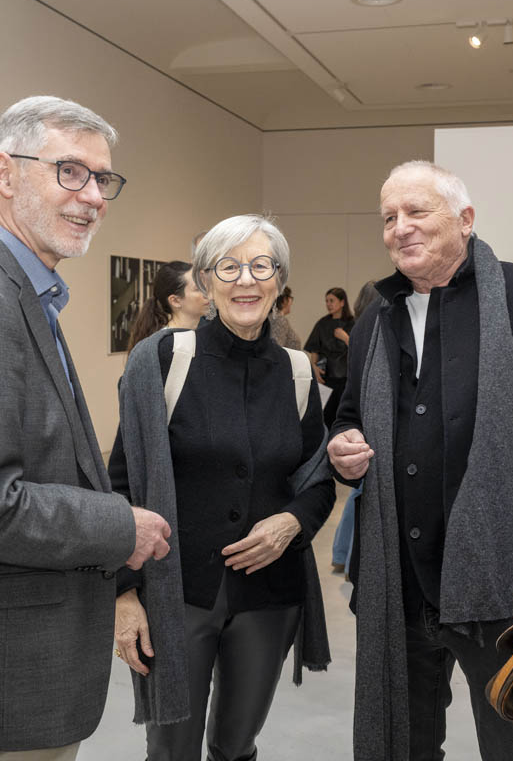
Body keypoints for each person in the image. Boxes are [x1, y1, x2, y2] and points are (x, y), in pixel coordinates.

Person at [0, 95, 172, 759]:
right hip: (1, 675)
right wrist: (119, 526)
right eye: (70, 172)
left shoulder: (27, 294)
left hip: (22, 666)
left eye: (102, 179)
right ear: (5, 173)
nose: (94, 196)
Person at [328, 160, 513, 761]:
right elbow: (348, 415)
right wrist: (343, 445)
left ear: (465, 219)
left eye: (416, 211)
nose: (400, 227)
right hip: (397, 583)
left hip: (501, 585)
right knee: (401, 746)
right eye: (389, 217)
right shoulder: (377, 316)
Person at [110, 215, 335, 761]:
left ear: (279, 280)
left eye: (261, 266)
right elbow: (121, 482)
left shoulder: (296, 372)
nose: (246, 280)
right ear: (206, 282)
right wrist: (122, 593)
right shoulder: (163, 359)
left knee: (237, 746)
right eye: (228, 267)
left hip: (269, 595)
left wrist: (292, 522)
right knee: (171, 749)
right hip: (178, 591)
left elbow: (317, 480)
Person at [330, 281, 380, 576]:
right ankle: (347, 558)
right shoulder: (369, 328)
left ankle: (342, 555)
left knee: (358, 494)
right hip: (369, 418)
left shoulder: (359, 325)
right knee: (361, 493)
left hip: (362, 414)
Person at [127, 261, 207, 352]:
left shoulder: (208, 335)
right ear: (175, 301)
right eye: (198, 289)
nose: (207, 292)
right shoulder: (163, 346)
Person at [305, 287, 354, 429]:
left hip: (346, 379)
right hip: (326, 379)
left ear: (342, 302)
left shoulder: (353, 323)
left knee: (344, 417)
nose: (328, 304)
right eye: (326, 301)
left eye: (332, 301)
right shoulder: (322, 323)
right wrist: (313, 367)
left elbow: (360, 349)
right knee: (325, 417)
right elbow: (315, 349)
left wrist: (346, 338)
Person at [270, 286, 302, 351]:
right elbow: (276, 350)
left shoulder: (275, 317)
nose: (292, 301)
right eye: (291, 298)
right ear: (284, 300)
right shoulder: (279, 320)